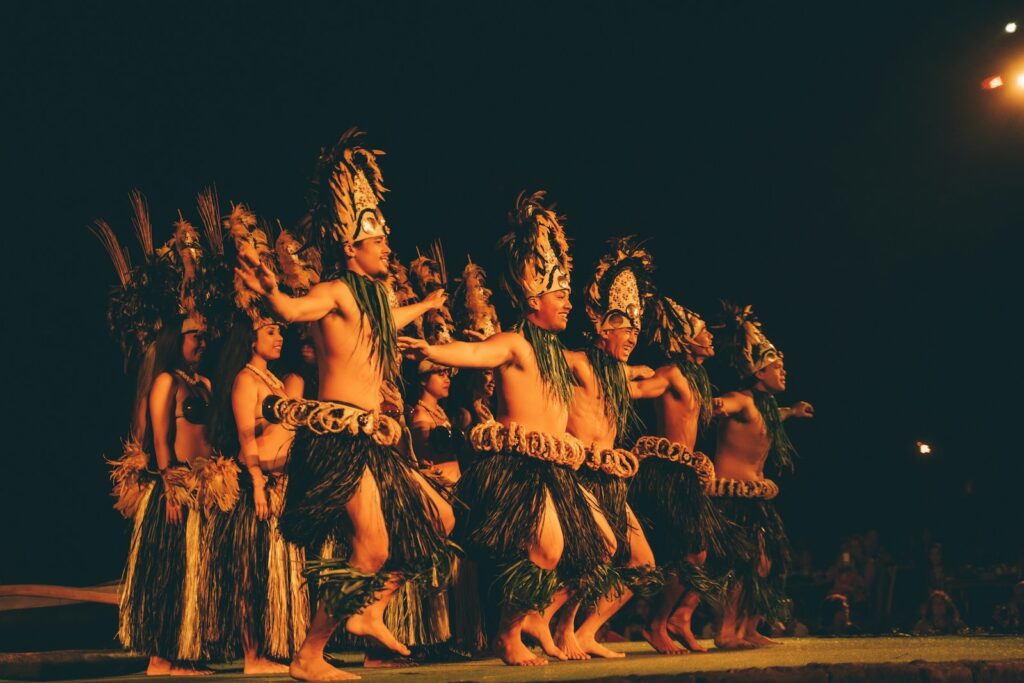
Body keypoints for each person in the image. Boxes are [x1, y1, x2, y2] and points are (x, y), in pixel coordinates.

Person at [236, 128, 456, 681]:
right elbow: (292, 310)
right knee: (372, 547)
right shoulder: (334, 290)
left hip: (374, 439)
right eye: (377, 240)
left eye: (385, 238)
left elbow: (388, 318)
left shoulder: (378, 296)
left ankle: (370, 611)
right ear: (351, 246)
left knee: (440, 516)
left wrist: (425, 305)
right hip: (339, 438)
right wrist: (270, 290)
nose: (387, 247)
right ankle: (309, 655)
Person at [399, 191, 617, 666]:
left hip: (558, 469)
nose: (568, 303)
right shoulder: (516, 343)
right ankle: (508, 634)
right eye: (560, 296)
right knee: (548, 546)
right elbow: (476, 353)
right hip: (519, 467)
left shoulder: (561, 355)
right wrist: (433, 350)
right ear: (534, 300)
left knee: (604, 542)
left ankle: (542, 615)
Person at [556, 237, 668, 660]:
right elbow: (540, 352)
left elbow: (650, 382)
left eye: (638, 329)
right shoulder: (578, 362)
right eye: (626, 327)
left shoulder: (620, 376)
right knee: (590, 556)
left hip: (611, 483)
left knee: (643, 564)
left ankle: (586, 631)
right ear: (604, 327)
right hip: (580, 476)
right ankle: (556, 628)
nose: (634, 335)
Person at [628, 295, 731, 654]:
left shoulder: (698, 378)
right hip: (666, 474)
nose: (711, 337)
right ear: (687, 340)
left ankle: (679, 617)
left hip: (687, 474)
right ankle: (656, 624)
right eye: (704, 332)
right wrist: (614, 377)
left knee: (705, 553)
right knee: (691, 552)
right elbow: (640, 390)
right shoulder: (670, 373)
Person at [710, 303, 813, 648]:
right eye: (777, 367)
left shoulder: (765, 407)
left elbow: (767, 419)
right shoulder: (740, 400)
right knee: (743, 564)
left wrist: (792, 412)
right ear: (759, 372)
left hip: (755, 498)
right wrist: (715, 407)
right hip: (730, 498)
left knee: (766, 564)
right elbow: (722, 406)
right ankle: (727, 632)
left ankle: (748, 628)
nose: (784, 372)